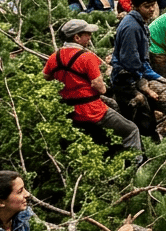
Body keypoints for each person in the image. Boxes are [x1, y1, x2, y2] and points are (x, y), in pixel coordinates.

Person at [44, 18, 142, 158]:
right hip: (92, 110)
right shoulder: (87, 57)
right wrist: (107, 90)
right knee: (131, 130)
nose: (90, 37)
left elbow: (46, 77)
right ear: (77, 37)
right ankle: (136, 164)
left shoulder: (54, 57)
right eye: (87, 34)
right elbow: (99, 87)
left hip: (69, 110)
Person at [109, 0, 163, 142]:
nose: (151, 9)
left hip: (133, 76)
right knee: (142, 123)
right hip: (126, 81)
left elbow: (142, 58)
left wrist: (153, 75)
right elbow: (130, 61)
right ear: (136, 6)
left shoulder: (140, 22)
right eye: (147, 6)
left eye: (153, 5)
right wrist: (144, 78)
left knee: (145, 120)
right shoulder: (132, 27)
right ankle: (144, 152)